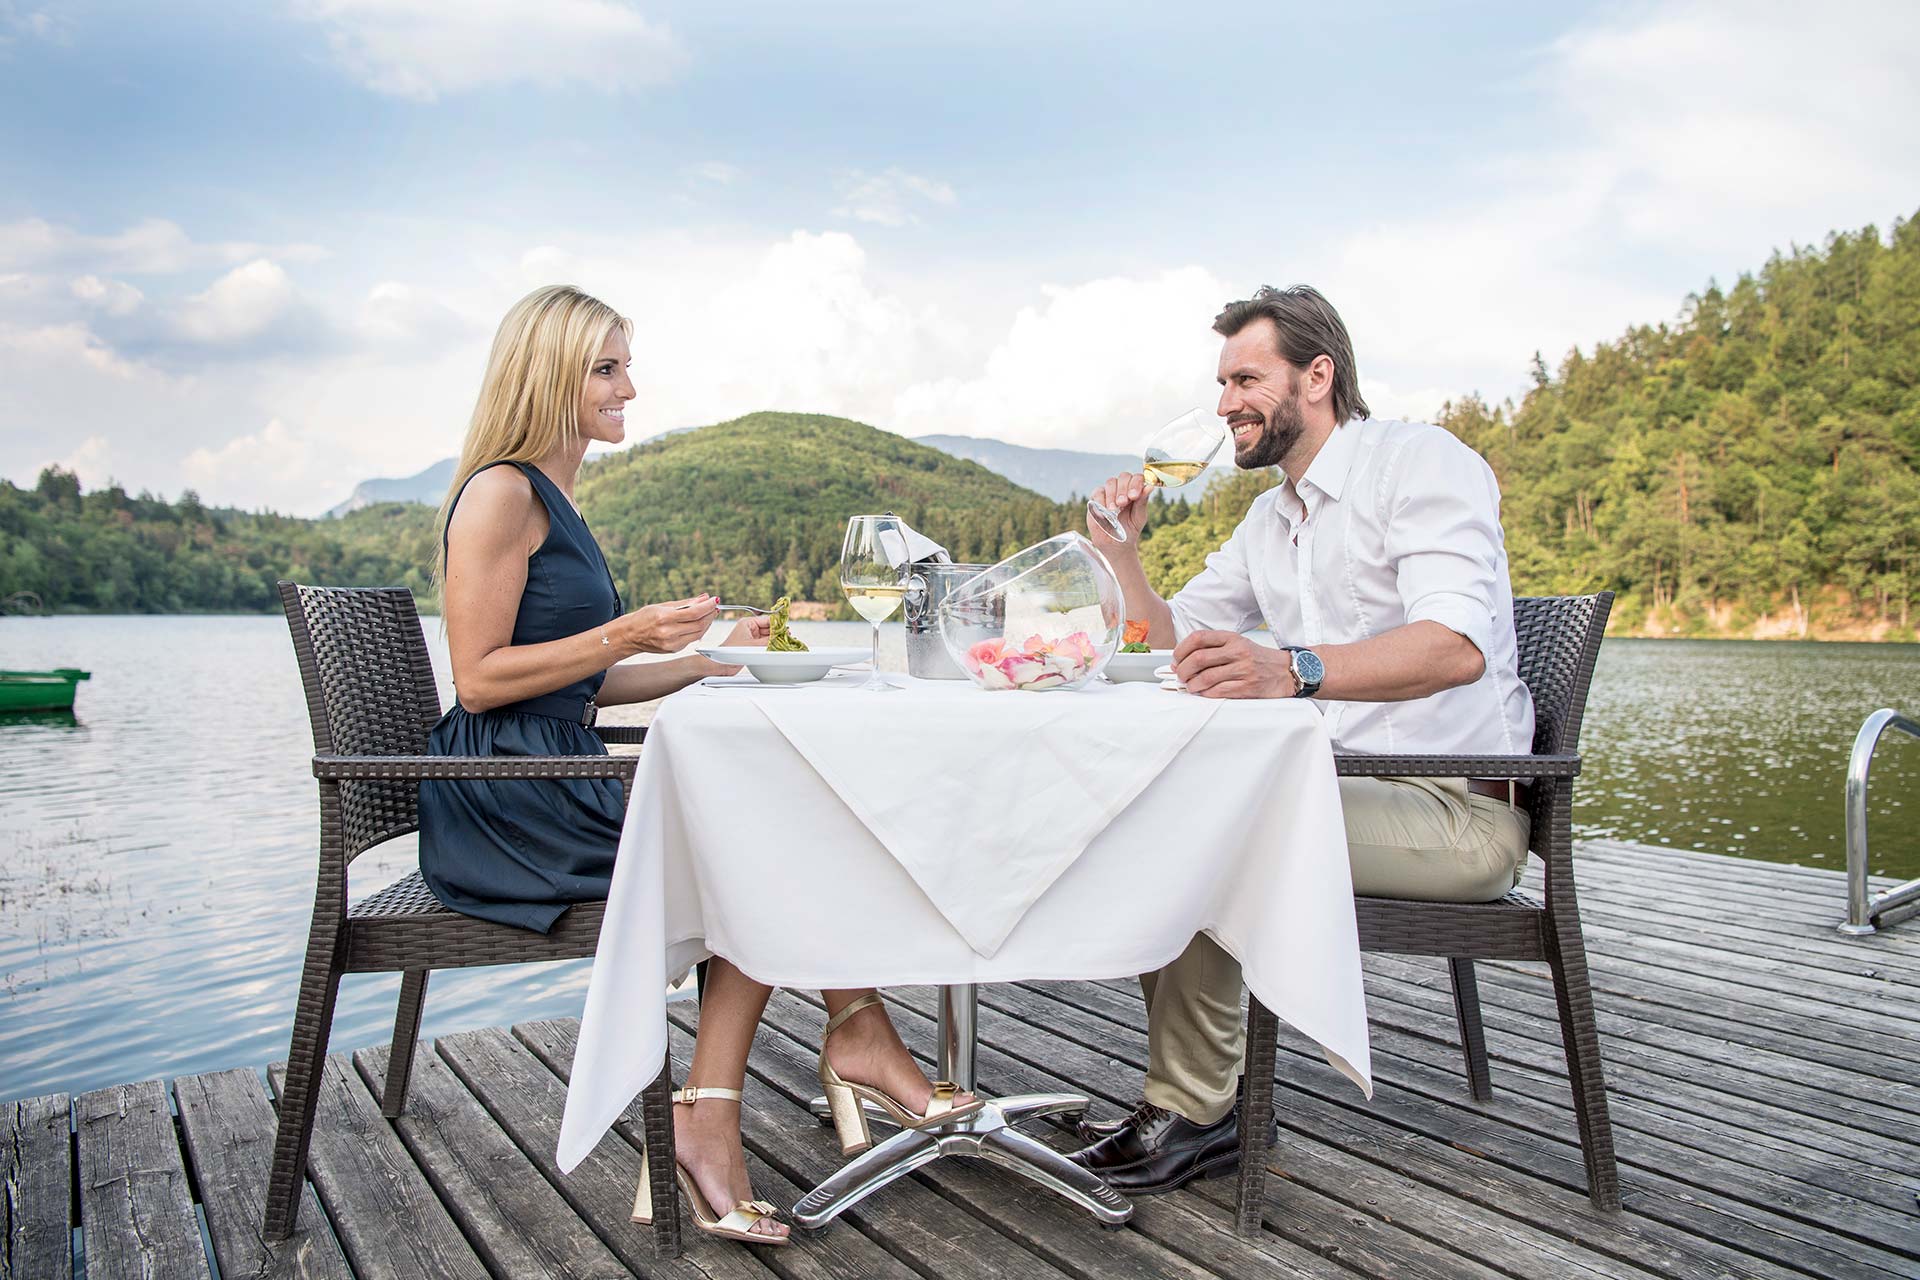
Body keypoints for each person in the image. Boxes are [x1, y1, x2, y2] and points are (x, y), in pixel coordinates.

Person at [424, 285, 976, 1246]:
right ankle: (817, 1059)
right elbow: (478, 682)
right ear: (547, 374)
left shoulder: (554, 499)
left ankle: (808, 1060)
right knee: (753, 850)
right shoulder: (500, 492)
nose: (629, 389)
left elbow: (574, 685)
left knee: (777, 824)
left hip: (552, 766)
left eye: (624, 366)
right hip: (505, 800)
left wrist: (703, 662)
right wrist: (626, 630)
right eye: (606, 369)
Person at [1070, 284, 1534, 1195]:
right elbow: (1173, 639)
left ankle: (1199, 1112)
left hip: (1455, 812)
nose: (1224, 404)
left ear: (1316, 377)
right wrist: (1121, 552)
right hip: (1332, 787)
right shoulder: (1270, 519)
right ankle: (1207, 1098)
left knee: (1204, 824)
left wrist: (1292, 669)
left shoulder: (1420, 465)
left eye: (1246, 379)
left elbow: (1457, 645)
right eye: (1221, 382)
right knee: (1160, 802)